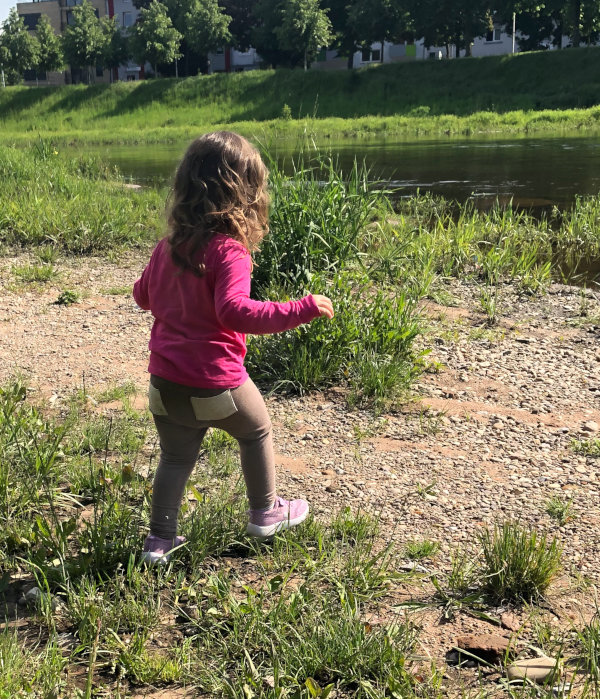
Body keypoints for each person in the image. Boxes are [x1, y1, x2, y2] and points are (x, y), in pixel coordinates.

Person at [133, 131, 334, 564]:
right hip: (215, 385)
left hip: (164, 385)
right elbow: (235, 312)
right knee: (256, 431)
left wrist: (172, 294)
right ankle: (265, 512)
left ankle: (159, 541)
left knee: (174, 458)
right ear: (246, 195)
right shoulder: (229, 251)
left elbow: (143, 295)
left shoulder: (165, 248)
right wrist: (302, 307)